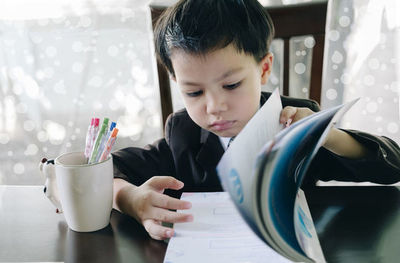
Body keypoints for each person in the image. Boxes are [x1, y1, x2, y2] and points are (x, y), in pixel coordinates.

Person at [112, 0, 400, 240]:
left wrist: (325, 134)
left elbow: (391, 168)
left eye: (232, 85)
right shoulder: (184, 134)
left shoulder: (294, 123)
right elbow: (105, 169)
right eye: (194, 92)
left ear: (263, 70)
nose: (214, 107)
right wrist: (129, 199)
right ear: (176, 82)